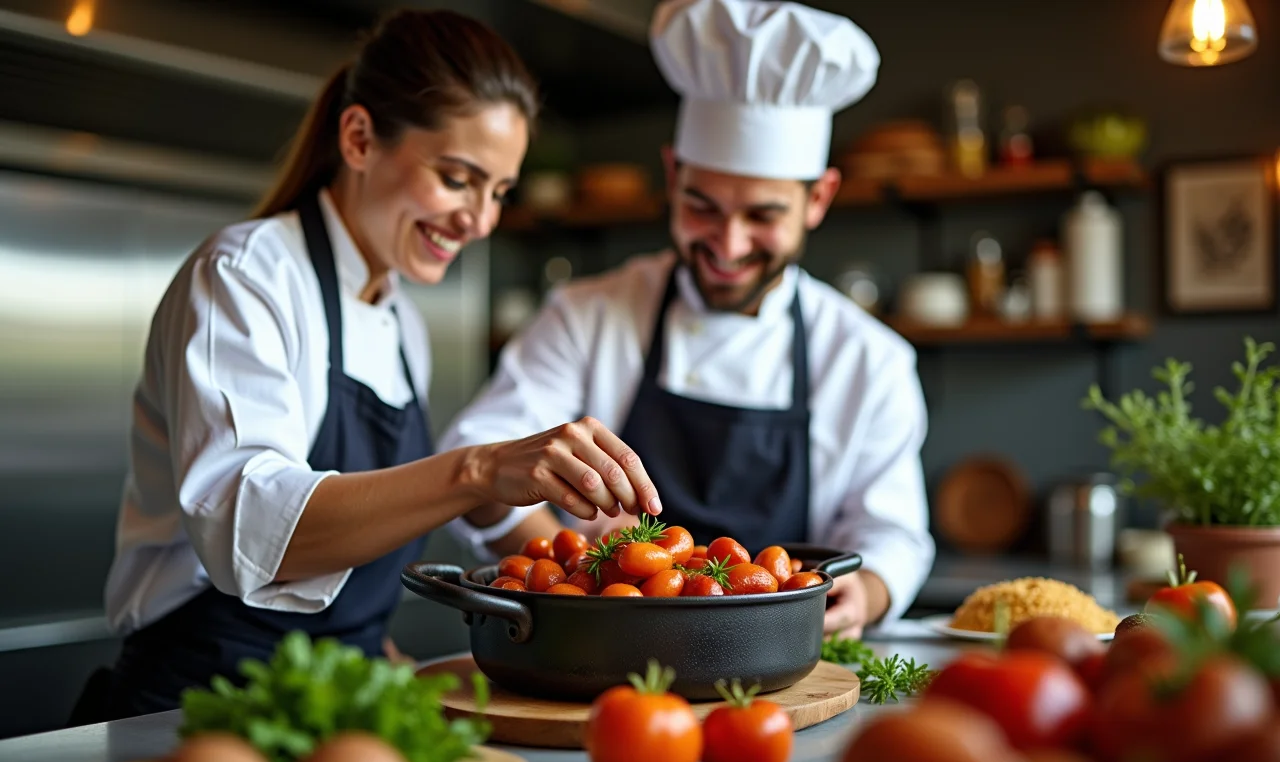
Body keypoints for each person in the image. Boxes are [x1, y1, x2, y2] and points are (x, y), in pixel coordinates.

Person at [73, 8, 660, 724]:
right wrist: (474, 470)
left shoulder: (398, 316)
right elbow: (251, 529)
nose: (479, 220)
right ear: (358, 138)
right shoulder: (245, 276)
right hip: (206, 707)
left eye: (499, 192)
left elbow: (348, 573)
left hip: (334, 702)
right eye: (457, 178)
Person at [440, 0, 935, 638]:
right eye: (702, 206)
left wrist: (863, 596)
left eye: (761, 216)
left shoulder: (869, 359)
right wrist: (576, 580)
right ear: (672, 177)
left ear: (818, 199)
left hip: (773, 661)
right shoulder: (586, 316)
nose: (727, 245)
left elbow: (892, 535)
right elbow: (476, 458)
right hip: (602, 651)